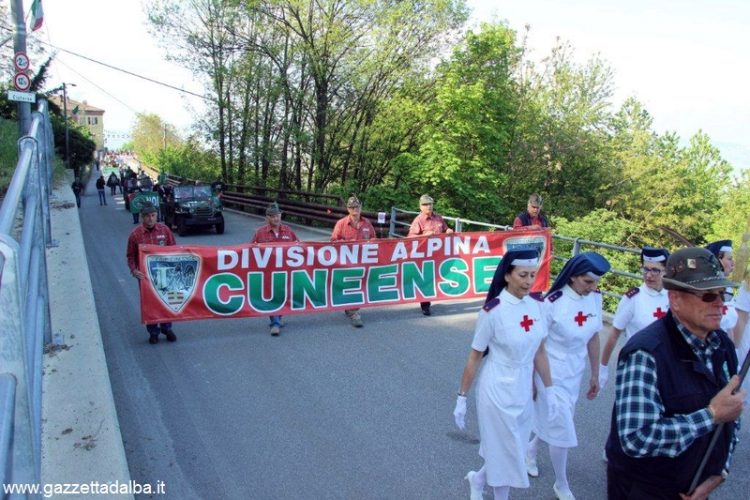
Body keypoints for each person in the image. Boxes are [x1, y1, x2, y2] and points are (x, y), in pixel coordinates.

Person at [605, 247, 744, 499]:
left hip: (696, 486)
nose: (720, 303)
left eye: (721, 294)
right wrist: (711, 415)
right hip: (643, 490)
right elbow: (636, 438)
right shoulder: (645, 352)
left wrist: (718, 472)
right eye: (707, 296)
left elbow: (732, 415)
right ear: (676, 300)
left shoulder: (722, 345)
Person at [454, 249, 556, 500]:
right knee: (505, 451)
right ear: (507, 275)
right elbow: (475, 356)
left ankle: (477, 480)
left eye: (532, 275)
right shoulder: (492, 311)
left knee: (512, 448)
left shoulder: (537, 306)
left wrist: (550, 389)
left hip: (522, 387)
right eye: (522, 275)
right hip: (496, 387)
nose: (528, 281)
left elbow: (540, 352)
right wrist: (462, 397)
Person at [526, 251, 610, 500]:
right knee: (562, 426)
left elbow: (593, 336)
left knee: (556, 420)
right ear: (573, 277)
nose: (593, 287)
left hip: (574, 371)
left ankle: (531, 450)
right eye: (588, 281)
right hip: (549, 372)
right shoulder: (551, 302)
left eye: (596, 282)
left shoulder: (595, 298)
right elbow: (536, 344)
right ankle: (561, 484)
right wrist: (531, 379)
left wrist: (595, 373)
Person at [600, 247, 670, 389]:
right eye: (645, 269)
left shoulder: (673, 296)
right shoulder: (634, 298)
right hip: (638, 364)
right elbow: (614, 333)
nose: (648, 275)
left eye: (655, 270)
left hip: (666, 364)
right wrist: (603, 368)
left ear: (666, 271)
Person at [126, 202, 178, 345]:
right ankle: (153, 332)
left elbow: (174, 249)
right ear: (142, 217)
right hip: (146, 276)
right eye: (147, 216)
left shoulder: (165, 230)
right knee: (150, 303)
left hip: (165, 274)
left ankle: (166, 328)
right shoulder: (135, 235)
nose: (150, 218)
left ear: (156, 216)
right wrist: (134, 270)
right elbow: (130, 256)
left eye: (153, 215)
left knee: (165, 300)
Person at [251, 202, 299, 336]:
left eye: (278, 215)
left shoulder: (288, 231)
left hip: (285, 271)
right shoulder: (260, 233)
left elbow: (299, 247)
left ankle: (279, 316)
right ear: (267, 218)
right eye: (272, 216)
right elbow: (249, 251)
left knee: (283, 296)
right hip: (268, 273)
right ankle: (275, 323)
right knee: (272, 296)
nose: (276, 218)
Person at [330, 196, 376, 328]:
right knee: (351, 286)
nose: (355, 209)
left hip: (362, 262)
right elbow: (333, 241)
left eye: (357, 207)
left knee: (359, 286)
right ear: (348, 209)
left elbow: (374, 238)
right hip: (346, 263)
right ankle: (354, 312)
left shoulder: (367, 223)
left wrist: (372, 242)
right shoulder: (341, 223)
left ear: (361, 207)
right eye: (352, 207)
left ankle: (350, 308)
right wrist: (344, 244)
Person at [407, 194, 454, 316]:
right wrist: (423, 236)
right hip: (425, 257)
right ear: (420, 206)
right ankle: (425, 305)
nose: (428, 206)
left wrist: (448, 230)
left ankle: (436, 297)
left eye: (430, 204)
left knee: (437, 278)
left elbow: (445, 229)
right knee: (427, 279)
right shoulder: (418, 220)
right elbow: (410, 238)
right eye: (425, 204)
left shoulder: (438, 218)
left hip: (439, 255)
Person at [706, 240, 737, 336]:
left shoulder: (728, 288)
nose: (733, 263)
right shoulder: (707, 289)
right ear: (717, 261)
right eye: (729, 259)